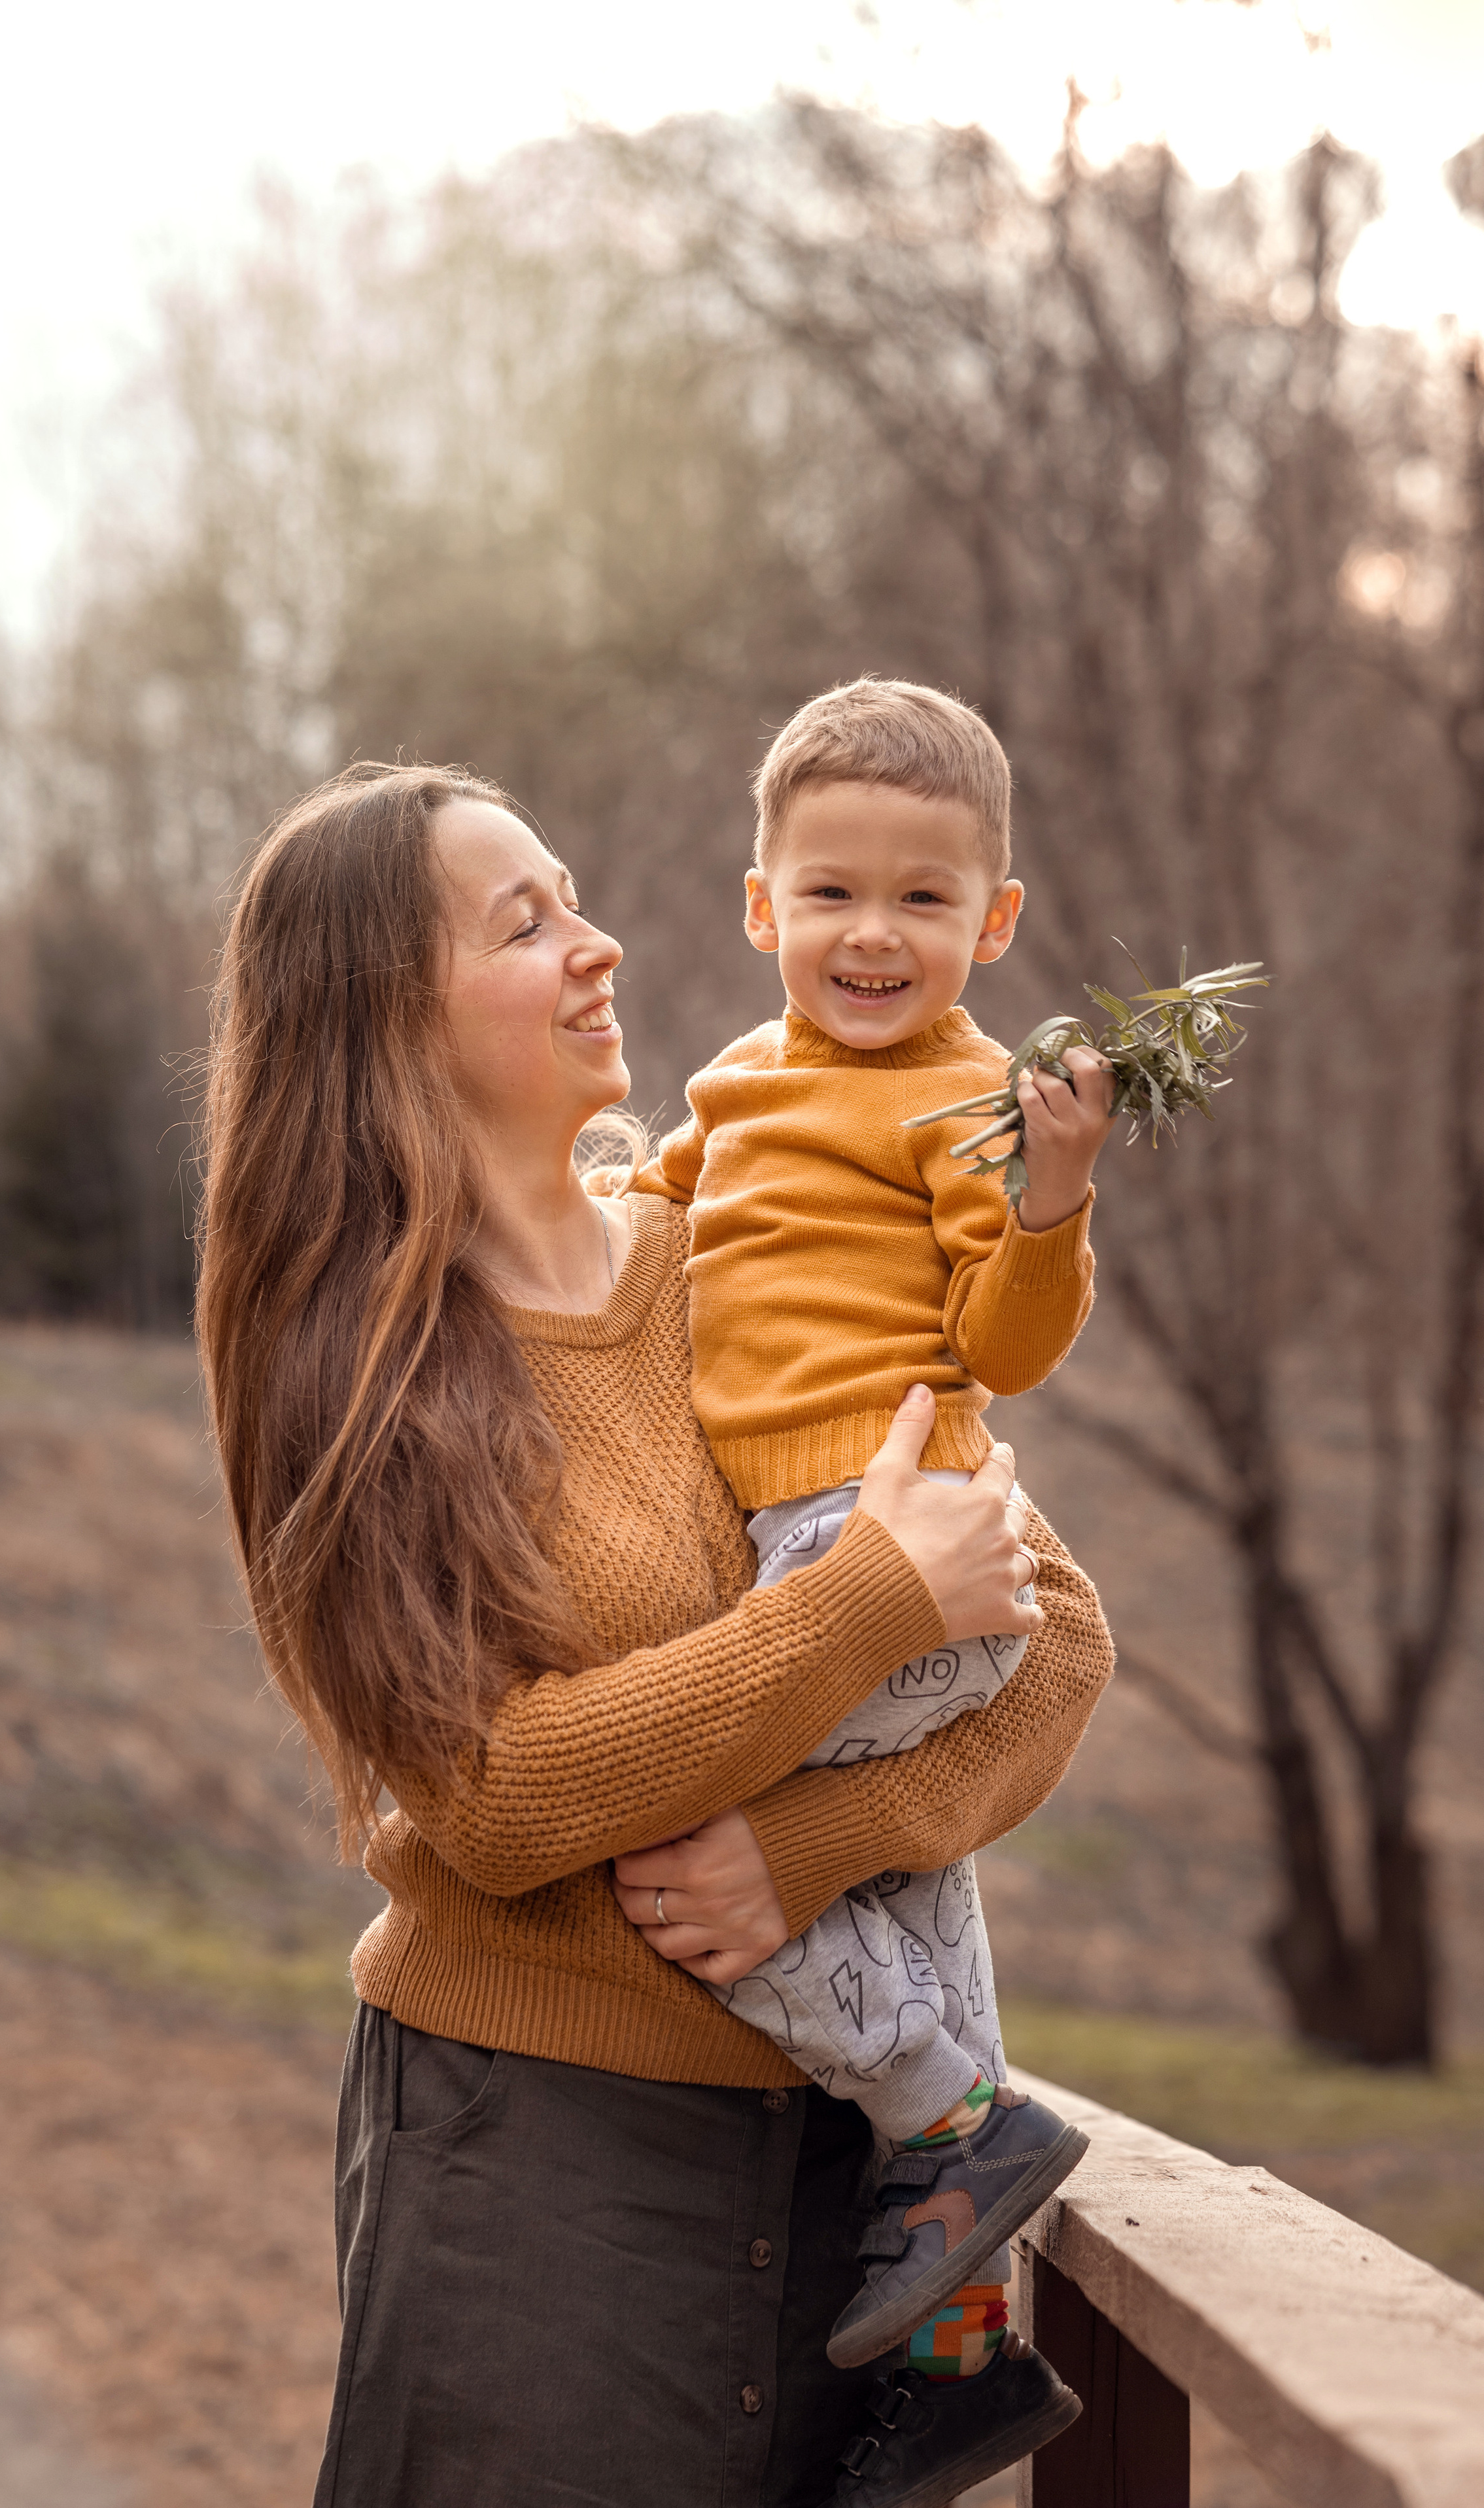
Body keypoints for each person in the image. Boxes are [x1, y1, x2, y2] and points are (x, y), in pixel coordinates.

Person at [194, 759, 1114, 2508]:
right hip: (542, 2169)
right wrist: (861, 1610)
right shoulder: (362, 1360)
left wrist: (804, 1841)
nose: (600, 942)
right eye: (526, 922)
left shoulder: (735, 1258)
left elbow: (1052, 1632)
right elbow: (499, 1786)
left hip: (854, 2176)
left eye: (576, 893)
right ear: (391, 1013)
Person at [632, 678, 1118, 2405]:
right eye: (832, 891)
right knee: (903, 1874)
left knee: (681, 1831)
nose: (873, 934)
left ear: (993, 924)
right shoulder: (738, 1077)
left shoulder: (971, 1098)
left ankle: (946, 2111)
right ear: (762, 906)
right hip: (804, 1550)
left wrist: (1052, 1194)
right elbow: (658, 1207)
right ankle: (964, 2344)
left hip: (901, 1549)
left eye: (924, 899)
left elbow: (1002, 1341)